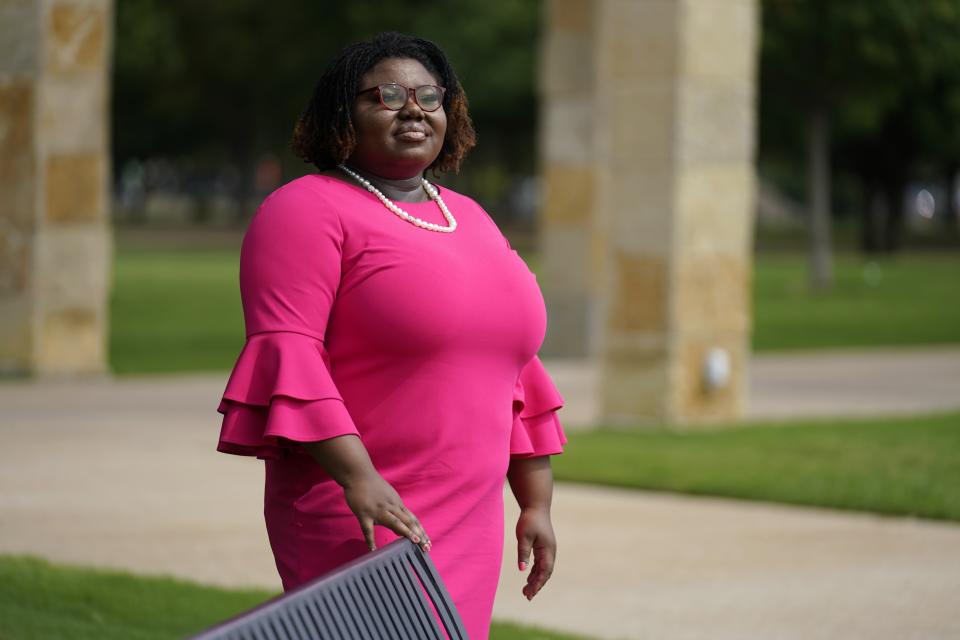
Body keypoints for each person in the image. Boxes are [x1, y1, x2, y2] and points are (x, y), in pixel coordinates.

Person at [216, 32, 566, 639]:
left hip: (469, 517)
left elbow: (514, 370)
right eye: (387, 95)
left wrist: (536, 503)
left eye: (430, 96)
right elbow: (288, 354)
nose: (413, 109)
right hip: (364, 506)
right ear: (341, 113)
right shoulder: (305, 209)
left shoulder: (470, 217)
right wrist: (360, 479)